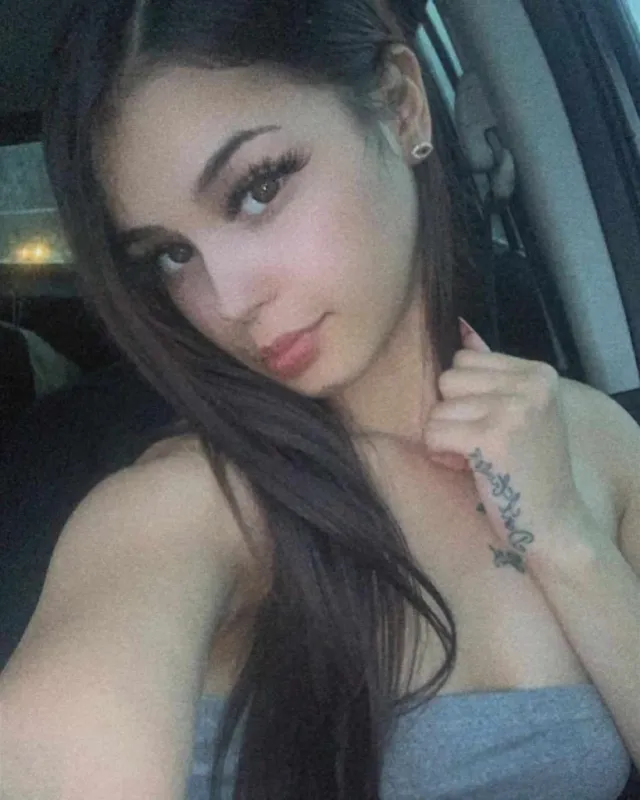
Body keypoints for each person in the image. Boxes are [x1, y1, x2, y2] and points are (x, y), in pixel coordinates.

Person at [1, 1, 639, 798]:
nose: (229, 300)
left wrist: (567, 539)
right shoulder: (189, 505)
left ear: (401, 105)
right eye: (171, 254)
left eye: (258, 189)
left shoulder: (595, 442)